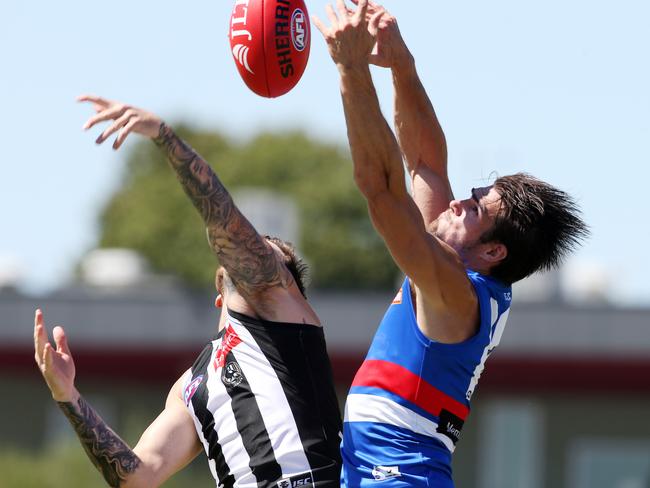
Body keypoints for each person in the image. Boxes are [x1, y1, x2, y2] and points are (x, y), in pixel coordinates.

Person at [314, 1, 589, 486]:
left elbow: (382, 191)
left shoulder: (453, 289)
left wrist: (351, 70)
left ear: (493, 251)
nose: (461, 200)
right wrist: (401, 64)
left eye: (477, 209)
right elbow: (425, 164)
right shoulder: (458, 273)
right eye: (475, 193)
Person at [33, 96, 342, 488]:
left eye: (271, 255)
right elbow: (137, 475)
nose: (260, 251)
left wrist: (165, 138)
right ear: (219, 292)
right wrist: (68, 396)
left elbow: (225, 224)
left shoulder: (283, 312)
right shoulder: (192, 386)